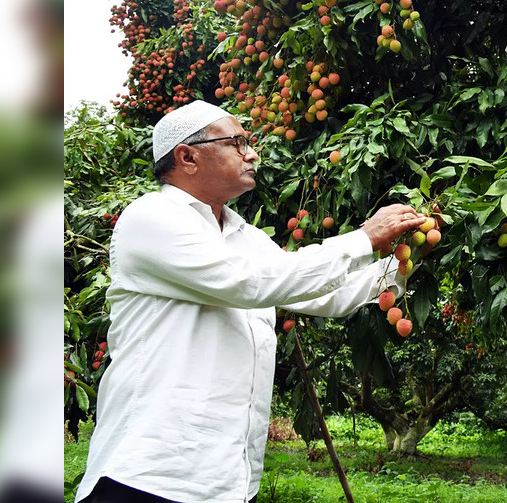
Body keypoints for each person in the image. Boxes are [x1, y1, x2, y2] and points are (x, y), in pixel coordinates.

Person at [75, 100, 427, 503]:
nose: (253, 153)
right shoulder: (150, 218)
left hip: (229, 483)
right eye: (237, 142)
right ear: (187, 157)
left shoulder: (248, 238)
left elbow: (327, 294)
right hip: (148, 479)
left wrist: (407, 262)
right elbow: (253, 283)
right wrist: (364, 238)